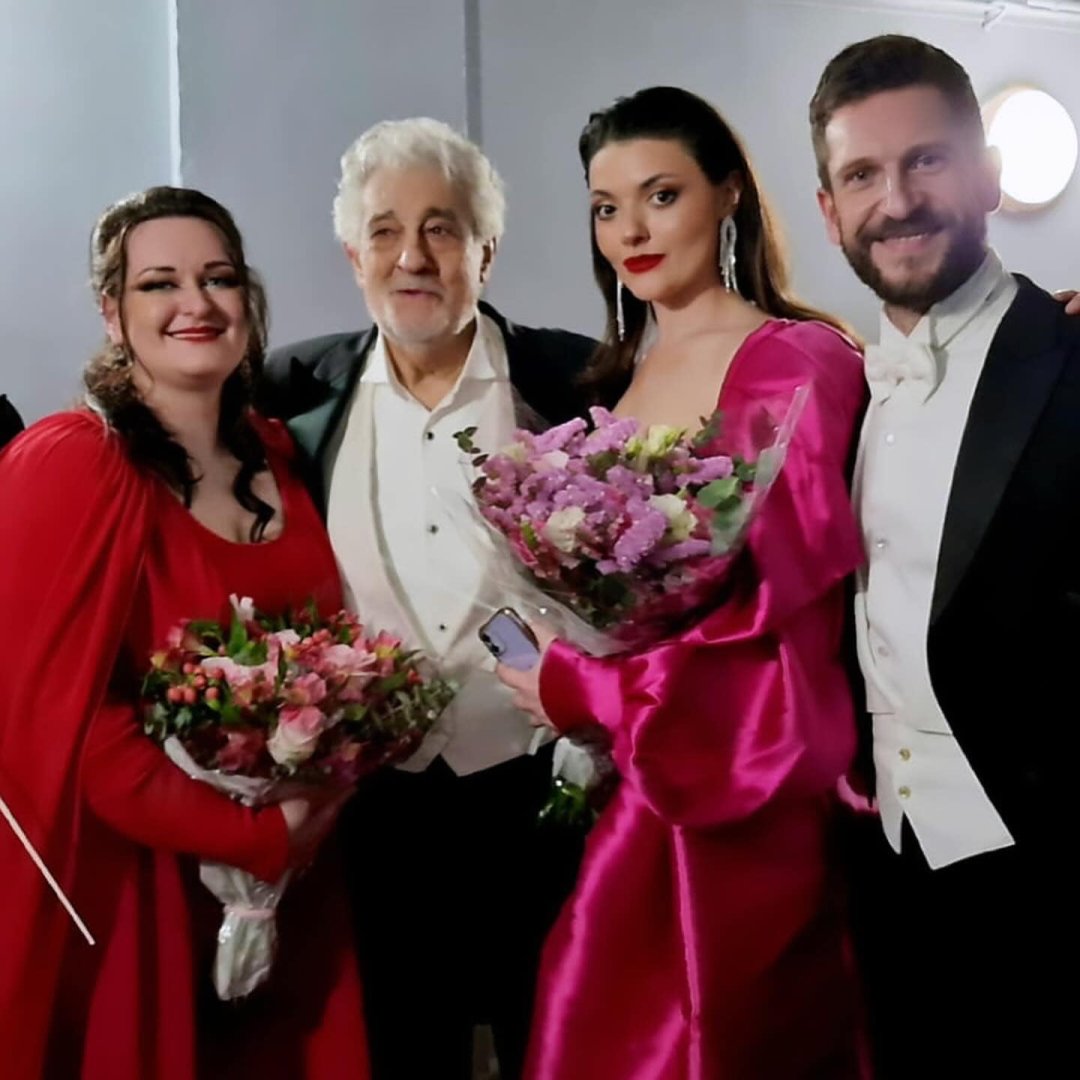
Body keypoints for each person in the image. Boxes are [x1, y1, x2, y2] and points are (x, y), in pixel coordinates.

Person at [498, 86, 869, 1079]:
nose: (631, 231)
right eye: (606, 207)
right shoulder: (614, 379)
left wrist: (584, 685)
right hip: (643, 778)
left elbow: (782, 640)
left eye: (661, 196)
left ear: (729, 194)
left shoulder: (795, 363)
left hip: (747, 804)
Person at [0, 186, 369, 1079]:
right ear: (112, 313)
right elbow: (61, 723)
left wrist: (319, 797)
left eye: (219, 278)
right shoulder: (70, 463)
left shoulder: (281, 453)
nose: (195, 303)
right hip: (141, 894)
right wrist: (256, 836)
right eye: (159, 283)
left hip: (298, 877)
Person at [263, 119, 597, 1080]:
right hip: (381, 810)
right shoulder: (292, 391)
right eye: (385, 230)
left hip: (547, 792)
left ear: (487, 251)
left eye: (443, 228)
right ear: (352, 253)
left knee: (561, 1048)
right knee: (404, 1051)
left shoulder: (575, 378)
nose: (412, 256)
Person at [810, 34, 1078, 1077]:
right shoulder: (832, 392)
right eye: (862, 175)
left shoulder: (1070, 357)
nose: (899, 201)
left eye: (927, 160)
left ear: (989, 176)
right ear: (828, 211)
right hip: (886, 872)